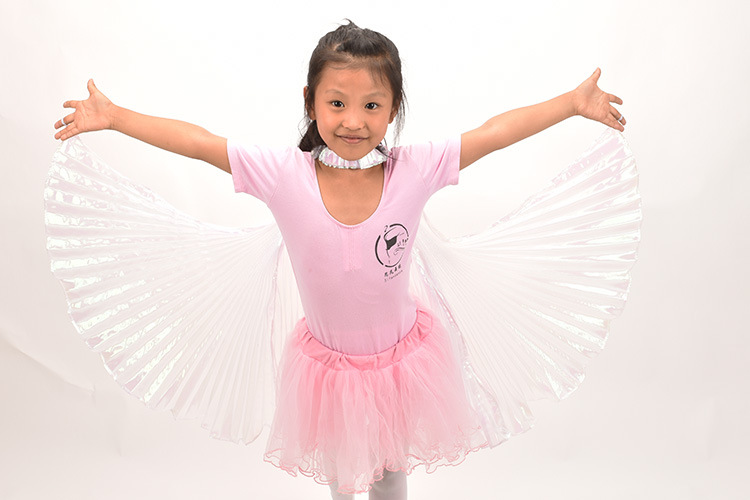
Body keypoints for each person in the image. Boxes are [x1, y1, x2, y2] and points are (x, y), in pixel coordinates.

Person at [50, 21, 635, 500]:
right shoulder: (283, 175)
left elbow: (492, 132)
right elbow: (202, 143)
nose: (354, 121)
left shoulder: (415, 169)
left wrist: (571, 103)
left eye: (372, 105)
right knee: (343, 478)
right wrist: (116, 117)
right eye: (337, 103)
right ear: (310, 102)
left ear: (393, 108)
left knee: (390, 478)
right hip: (328, 372)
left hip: (403, 362)